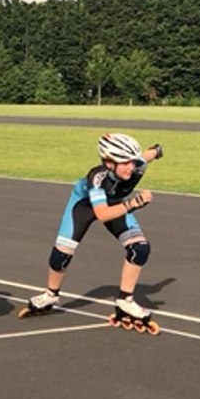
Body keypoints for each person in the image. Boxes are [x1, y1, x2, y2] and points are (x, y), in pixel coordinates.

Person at [20, 133, 164, 333]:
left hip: (115, 204)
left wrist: (157, 151)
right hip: (84, 206)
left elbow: (145, 156)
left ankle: (125, 300)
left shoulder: (137, 165)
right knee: (61, 256)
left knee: (139, 249)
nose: (131, 167)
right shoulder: (97, 178)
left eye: (132, 161)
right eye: (125, 162)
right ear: (109, 163)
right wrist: (134, 203)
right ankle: (50, 295)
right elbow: (102, 214)